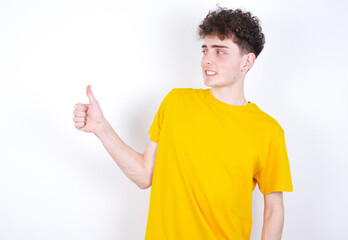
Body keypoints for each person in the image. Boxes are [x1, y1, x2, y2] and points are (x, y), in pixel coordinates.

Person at [73, 6, 293, 240]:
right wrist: (101, 128)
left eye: (220, 52)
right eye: (205, 50)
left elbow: (274, 209)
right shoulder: (175, 103)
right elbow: (144, 175)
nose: (207, 60)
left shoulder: (268, 131)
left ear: (247, 61)